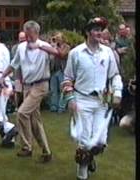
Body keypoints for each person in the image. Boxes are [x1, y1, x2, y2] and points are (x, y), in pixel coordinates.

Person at [61, 17, 123, 180]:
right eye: (95, 29)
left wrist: (117, 93)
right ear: (87, 32)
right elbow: (67, 78)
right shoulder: (76, 53)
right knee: (84, 141)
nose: (99, 33)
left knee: (100, 141)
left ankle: (90, 158)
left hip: (102, 101)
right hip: (82, 100)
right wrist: (71, 99)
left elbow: (115, 75)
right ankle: (82, 174)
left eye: (100, 29)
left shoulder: (108, 52)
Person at [0, 20, 58, 161]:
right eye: (26, 35)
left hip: (41, 85)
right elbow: (14, 64)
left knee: (22, 113)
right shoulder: (21, 48)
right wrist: (2, 77)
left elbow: (57, 53)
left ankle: (26, 146)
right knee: (35, 120)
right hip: (27, 86)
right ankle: (46, 152)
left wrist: (42, 47)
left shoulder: (44, 46)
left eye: (31, 35)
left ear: (37, 33)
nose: (28, 38)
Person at [49, 32, 71, 113]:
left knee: (62, 90)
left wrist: (56, 47)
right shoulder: (54, 46)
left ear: (62, 38)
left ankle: (61, 107)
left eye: (58, 38)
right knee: (53, 90)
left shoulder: (67, 47)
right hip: (54, 70)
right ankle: (54, 106)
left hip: (62, 70)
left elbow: (62, 54)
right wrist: (52, 46)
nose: (57, 39)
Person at [10, 31, 26, 111]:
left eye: (23, 38)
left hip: (27, 72)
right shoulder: (15, 48)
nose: (22, 40)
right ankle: (16, 107)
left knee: (26, 90)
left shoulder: (28, 47)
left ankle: (26, 107)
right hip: (17, 72)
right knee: (17, 90)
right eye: (21, 38)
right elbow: (14, 61)